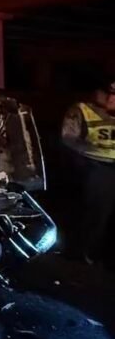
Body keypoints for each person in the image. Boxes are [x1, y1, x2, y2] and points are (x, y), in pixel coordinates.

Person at [61, 76, 115, 263]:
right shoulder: (82, 110)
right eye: (109, 93)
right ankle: (81, 254)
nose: (111, 99)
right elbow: (69, 139)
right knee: (97, 214)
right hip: (95, 166)